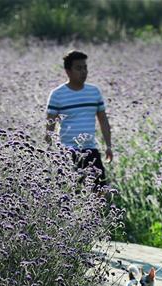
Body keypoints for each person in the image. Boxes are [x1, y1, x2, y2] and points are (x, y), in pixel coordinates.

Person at [45, 50, 113, 192]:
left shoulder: (94, 92)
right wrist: (50, 151)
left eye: (85, 67)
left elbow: (103, 120)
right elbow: (50, 126)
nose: (83, 72)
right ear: (68, 71)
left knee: (100, 192)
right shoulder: (57, 95)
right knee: (70, 193)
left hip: (91, 151)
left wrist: (108, 146)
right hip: (67, 152)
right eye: (79, 68)